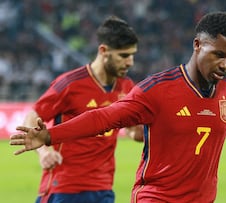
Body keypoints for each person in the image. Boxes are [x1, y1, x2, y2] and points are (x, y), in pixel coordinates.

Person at [10, 11, 226, 202]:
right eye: (218, 54)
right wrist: (50, 137)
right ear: (197, 45)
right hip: (155, 198)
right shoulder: (157, 90)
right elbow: (104, 117)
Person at [20, 15, 143, 203]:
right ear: (103, 51)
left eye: (132, 55)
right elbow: (34, 115)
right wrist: (45, 152)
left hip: (103, 189)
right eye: (124, 55)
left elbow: (133, 132)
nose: (130, 62)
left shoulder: (127, 86)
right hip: (64, 187)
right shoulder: (70, 84)